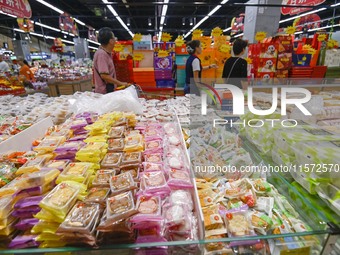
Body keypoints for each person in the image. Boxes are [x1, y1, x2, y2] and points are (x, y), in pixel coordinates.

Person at [93, 27, 129, 94]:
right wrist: (121, 83)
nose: (115, 40)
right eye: (114, 37)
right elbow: (104, 76)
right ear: (110, 41)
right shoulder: (102, 54)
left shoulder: (107, 53)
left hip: (109, 91)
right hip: (104, 93)